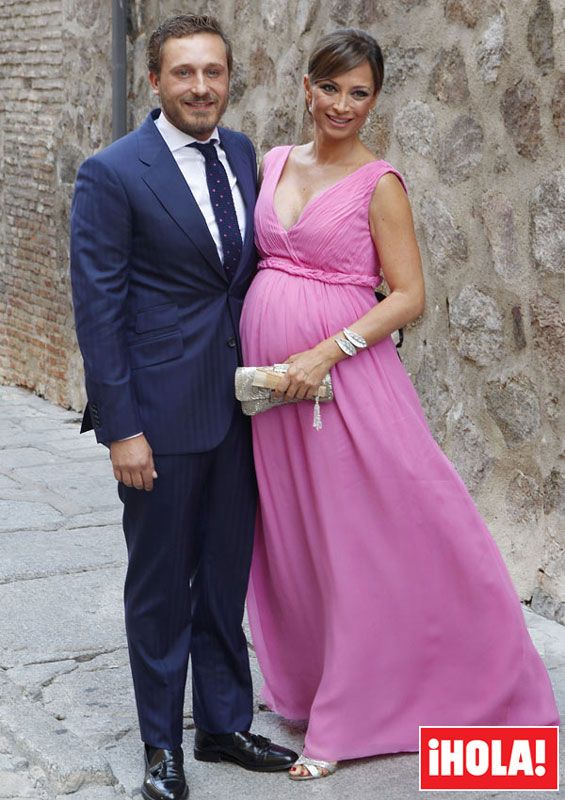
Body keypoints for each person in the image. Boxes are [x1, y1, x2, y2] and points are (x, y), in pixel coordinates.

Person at [240, 28, 560, 781]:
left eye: (360, 93)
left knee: (377, 534)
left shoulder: (379, 182)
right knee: (297, 544)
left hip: (343, 386)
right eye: (331, 88)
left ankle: (359, 719)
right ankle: (313, 687)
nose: (342, 105)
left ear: (374, 100)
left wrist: (325, 350)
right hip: (273, 399)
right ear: (306, 86)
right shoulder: (273, 163)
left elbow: (410, 295)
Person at [70, 14, 297, 800]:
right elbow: (97, 311)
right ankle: (161, 746)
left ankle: (225, 726)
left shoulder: (240, 154)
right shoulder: (112, 172)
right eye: (184, 73)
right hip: (160, 421)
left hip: (241, 410)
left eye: (213, 73)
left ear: (228, 79)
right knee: (163, 587)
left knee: (226, 578)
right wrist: (120, 427)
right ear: (157, 80)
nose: (201, 87)